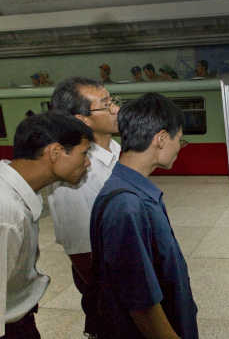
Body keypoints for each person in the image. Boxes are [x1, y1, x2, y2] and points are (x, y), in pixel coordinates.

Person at [90, 93, 198, 339]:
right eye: (178, 139)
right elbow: (141, 303)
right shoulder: (127, 205)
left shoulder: (132, 192)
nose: (179, 148)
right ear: (161, 138)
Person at [0, 112, 93, 338]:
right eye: (84, 153)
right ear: (55, 153)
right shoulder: (8, 213)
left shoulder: (16, 192)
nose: (88, 162)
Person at [47, 77, 121, 338]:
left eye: (113, 101)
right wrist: (109, 297)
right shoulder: (74, 173)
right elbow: (81, 254)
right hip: (105, 283)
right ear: (82, 119)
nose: (116, 109)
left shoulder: (118, 150)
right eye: (106, 105)